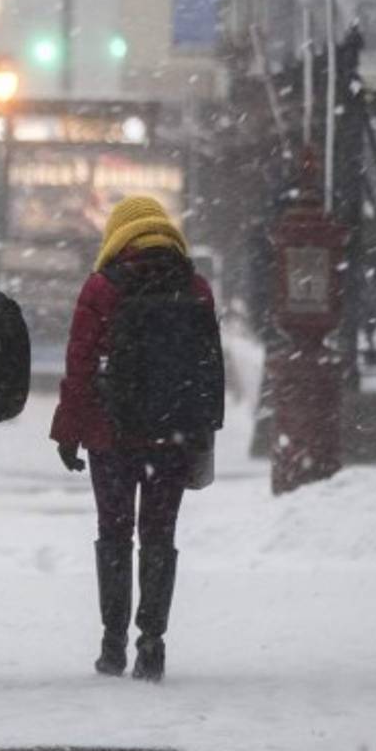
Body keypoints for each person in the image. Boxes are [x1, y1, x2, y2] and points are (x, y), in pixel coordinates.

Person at [50, 196, 222, 683]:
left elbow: (80, 365)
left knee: (114, 532)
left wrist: (69, 431)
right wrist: (204, 429)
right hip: (173, 433)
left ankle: (112, 643)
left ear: (118, 235)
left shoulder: (102, 287)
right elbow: (209, 366)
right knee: (159, 535)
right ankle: (152, 642)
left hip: (112, 433)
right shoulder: (195, 287)